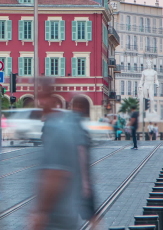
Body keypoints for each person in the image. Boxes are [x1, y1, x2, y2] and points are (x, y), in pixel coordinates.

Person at [29, 81, 83, 230]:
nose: (37, 101)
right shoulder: (64, 127)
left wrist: (40, 212)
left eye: (39, 96)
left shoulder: (56, 129)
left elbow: (55, 174)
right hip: (66, 213)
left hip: (56, 218)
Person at [71, 97, 96, 228]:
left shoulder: (65, 123)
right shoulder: (78, 126)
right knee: (92, 217)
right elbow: (81, 152)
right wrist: (86, 183)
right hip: (79, 181)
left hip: (67, 180)